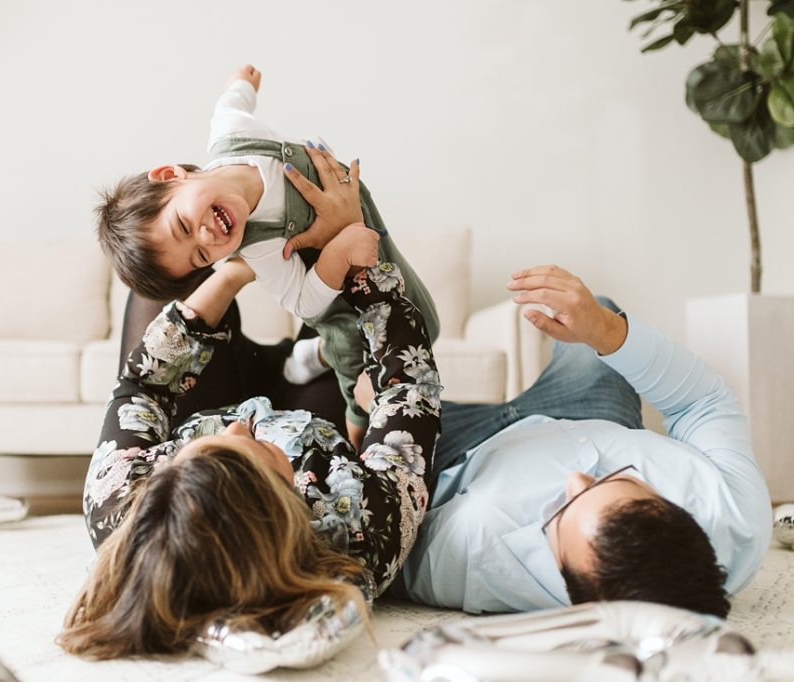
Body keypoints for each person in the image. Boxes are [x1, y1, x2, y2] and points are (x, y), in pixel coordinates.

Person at [59, 254, 442, 658]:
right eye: (254, 449)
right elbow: (412, 391)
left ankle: (278, 362)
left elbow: (141, 386)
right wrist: (365, 279)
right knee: (334, 294)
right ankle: (311, 352)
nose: (241, 426)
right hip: (314, 413)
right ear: (283, 502)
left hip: (206, 395)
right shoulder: (361, 535)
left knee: (168, 273)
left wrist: (234, 273)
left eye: (201, 450)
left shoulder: (119, 503)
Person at [385, 265, 773, 618]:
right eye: (617, 479)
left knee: (362, 378)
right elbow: (703, 402)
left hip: (457, 451)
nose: (574, 479)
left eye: (559, 517)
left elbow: (387, 546)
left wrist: (385, 417)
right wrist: (604, 330)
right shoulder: (737, 518)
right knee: (595, 310)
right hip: (593, 413)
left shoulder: (477, 553)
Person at [94, 64, 440, 448]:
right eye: (201, 257)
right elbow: (305, 301)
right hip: (287, 403)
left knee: (404, 318)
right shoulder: (259, 248)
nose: (207, 238)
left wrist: (241, 84)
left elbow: (229, 106)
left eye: (183, 226)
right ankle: (348, 405)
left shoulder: (232, 137)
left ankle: (312, 355)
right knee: (377, 344)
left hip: (253, 367)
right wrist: (336, 250)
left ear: (171, 174)